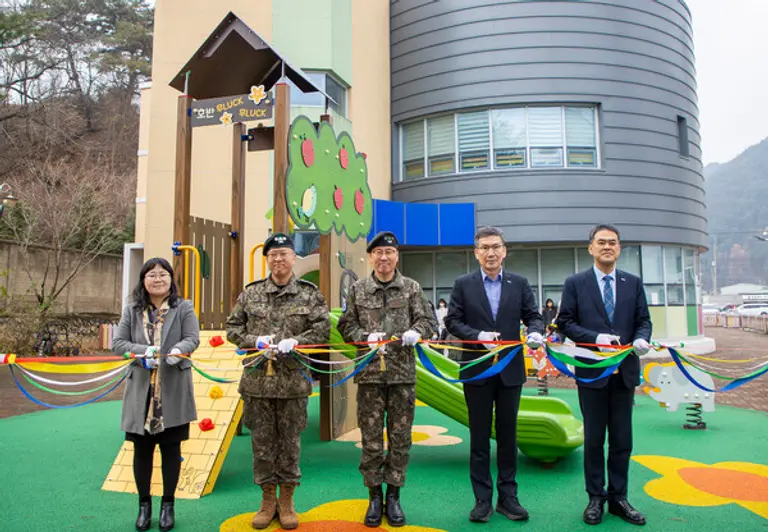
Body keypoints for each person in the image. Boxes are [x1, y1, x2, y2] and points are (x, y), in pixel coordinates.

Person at [226, 233, 330, 530]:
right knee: (262, 445)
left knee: (290, 444)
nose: (278, 259)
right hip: (258, 384)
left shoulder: (310, 294)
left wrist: (296, 342)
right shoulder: (251, 294)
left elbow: (322, 331)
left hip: (293, 384)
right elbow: (233, 328)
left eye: (284, 253)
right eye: (273, 255)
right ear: (267, 260)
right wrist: (252, 340)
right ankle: (267, 499)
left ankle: (286, 501)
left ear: (293, 258)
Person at [444, 226, 545, 524]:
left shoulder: (519, 283)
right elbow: (453, 321)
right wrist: (478, 336)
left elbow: (534, 316)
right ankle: (482, 500)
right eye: (485, 247)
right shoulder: (463, 284)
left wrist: (536, 331)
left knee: (507, 436)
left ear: (505, 250)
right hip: (477, 371)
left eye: (496, 247)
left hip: (510, 371)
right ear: (476, 252)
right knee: (478, 437)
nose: (491, 253)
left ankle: (508, 497)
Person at [337, 231, 437, 528]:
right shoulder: (358, 288)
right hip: (369, 376)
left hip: (401, 376)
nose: (383, 258)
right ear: (371, 256)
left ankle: (393, 495)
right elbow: (345, 324)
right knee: (370, 439)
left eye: (389, 253)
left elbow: (429, 321)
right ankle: (374, 496)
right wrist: (362, 337)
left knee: (400, 438)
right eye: (378, 252)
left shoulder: (411, 288)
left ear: (396, 257)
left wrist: (417, 332)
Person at [556, 224, 652, 526]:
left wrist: (640, 339)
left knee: (622, 439)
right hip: (591, 373)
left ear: (619, 248)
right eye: (601, 242)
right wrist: (596, 339)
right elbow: (565, 323)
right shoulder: (575, 283)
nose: (607, 247)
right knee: (595, 439)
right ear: (591, 248)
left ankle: (619, 498)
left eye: (612, 242)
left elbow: (643, 320)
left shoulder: (633, 282)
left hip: (624, 373)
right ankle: (595, 498)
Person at [112, 257, 200, 532]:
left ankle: (168, 505)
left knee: (171, 449)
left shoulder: (183, 307)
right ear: (143, 280)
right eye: (151, 275)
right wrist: (142, 352)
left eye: (163, 274)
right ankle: (144, 505)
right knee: (142, 449)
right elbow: (118, 343)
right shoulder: (132, 309)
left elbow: (192, 338)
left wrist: (175, 353)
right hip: (142, 388)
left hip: (172, 386)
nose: (158, 279)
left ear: (171, 279)